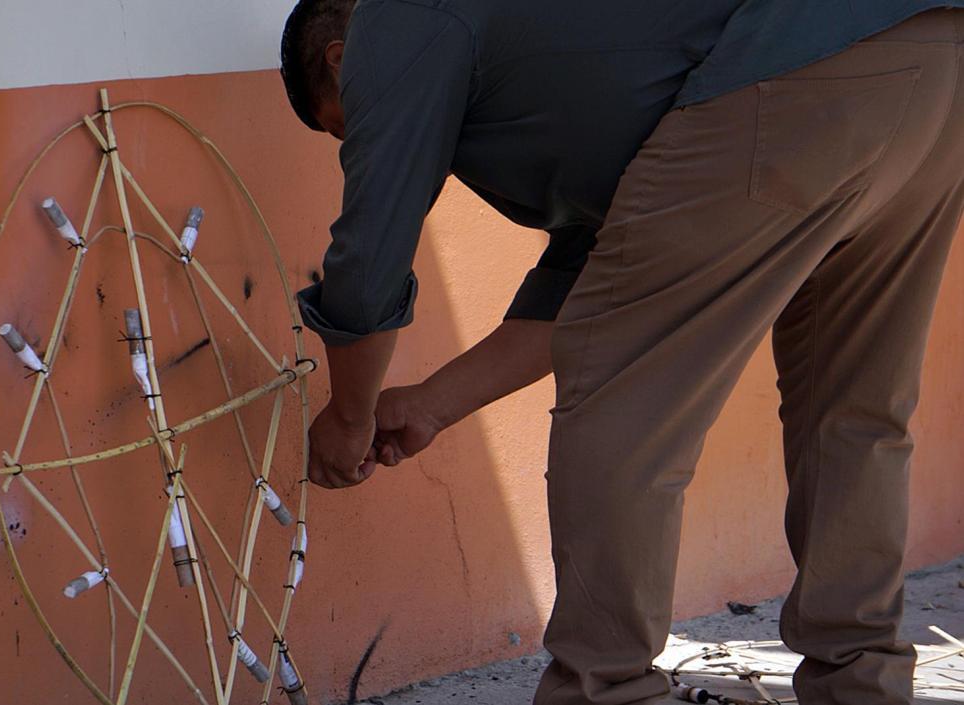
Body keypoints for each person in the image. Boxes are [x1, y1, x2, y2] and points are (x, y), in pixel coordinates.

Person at [280, 0, 964, 703]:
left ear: (340, 59)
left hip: (793, 67)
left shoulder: (393, 18)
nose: (368, 135)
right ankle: (863, 681)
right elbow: (597, 273)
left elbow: (370, 259)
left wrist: (349, 416)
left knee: (619, 410)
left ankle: (605, 690)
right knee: (851, 411)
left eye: (347, 126)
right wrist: (432, 404)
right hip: (933, 55)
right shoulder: (559, 49)